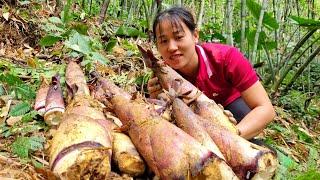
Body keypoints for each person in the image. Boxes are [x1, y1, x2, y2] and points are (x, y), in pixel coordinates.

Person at [147, 6, 275, 140]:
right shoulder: (163, 72)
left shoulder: (227, 57)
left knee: (243, 117)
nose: (172, 47)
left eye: (178, 37)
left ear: (195, 36)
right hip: (194, 117)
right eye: (163, 41)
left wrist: (233, 137)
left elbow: (266, 109)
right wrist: (157, 98)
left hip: (231, 105)